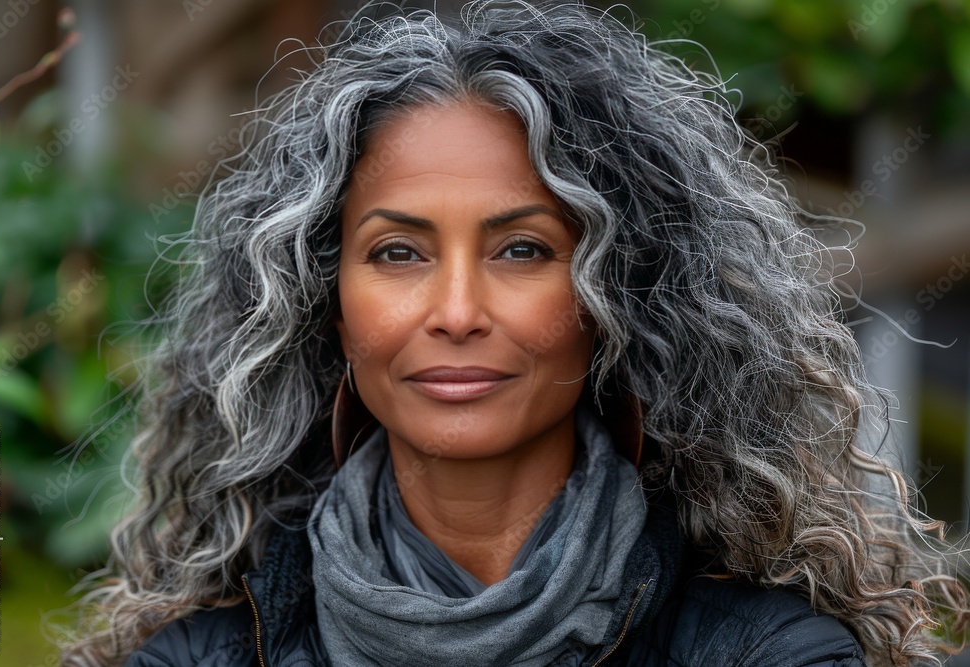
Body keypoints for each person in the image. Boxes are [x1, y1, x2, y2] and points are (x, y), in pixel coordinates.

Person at [58, 1, 968, 665]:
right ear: (324, 301)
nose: (456, 310)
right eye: (399, 253)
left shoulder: (765, 652)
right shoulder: (200, 659)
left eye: (523, 248)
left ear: (616, 296)